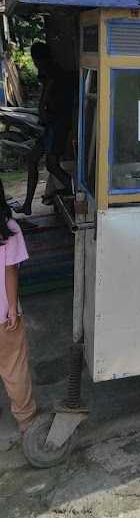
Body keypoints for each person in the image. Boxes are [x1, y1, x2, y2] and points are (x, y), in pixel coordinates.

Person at [17, 42, 76, 217]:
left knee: (52, 165)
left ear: (38, 60)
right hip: (51, 125)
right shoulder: (50, 73)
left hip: (57, 125)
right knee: (32, 159)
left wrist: (43, 111)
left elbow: (48, 102)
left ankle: (78, 191)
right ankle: (27, 204)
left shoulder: (54, 74)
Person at [0, 178, 37, 433]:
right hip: (4, 314)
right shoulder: (9, 229)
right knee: (14, 367)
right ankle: (27, 422)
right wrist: (12, 309)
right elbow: (10, 271)